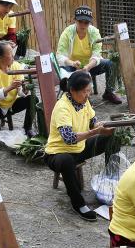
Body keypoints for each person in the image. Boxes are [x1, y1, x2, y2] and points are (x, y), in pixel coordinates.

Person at [44, 70, 114, 221]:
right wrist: (94, 131)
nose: (88, 94)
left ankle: (112, 178)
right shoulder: (63, 107)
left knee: (111, 138)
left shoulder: (83, 101)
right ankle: (78, 204)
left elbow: (92, 119)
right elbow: (69, 138)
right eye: (85, 91)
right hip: (58, 154)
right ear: (72, 90)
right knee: (67, 161)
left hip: (79, 149)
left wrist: (98, 125)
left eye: (89, 91)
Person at [55, 5, 122, 104]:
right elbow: (60, 56)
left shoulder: (94, 32)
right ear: (75, 21)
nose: (83, 25)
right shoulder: (67, 33)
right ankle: (74, 95)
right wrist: (72, 63)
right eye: (80, 21)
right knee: (66, 75)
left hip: (89, 66)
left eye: (86, 22)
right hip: (72, 66)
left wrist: (88, 67)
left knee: (111, 63)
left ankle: (109, 92)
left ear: (89, 23)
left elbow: (97, 54)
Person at [0, 41, 36, 153]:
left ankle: (28, 129)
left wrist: (24, 90)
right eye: (10, 53)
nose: (13, 55)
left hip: (11, 103)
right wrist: (9, 88)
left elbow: (20, 91)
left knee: (33, 99)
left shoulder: (15, 66)